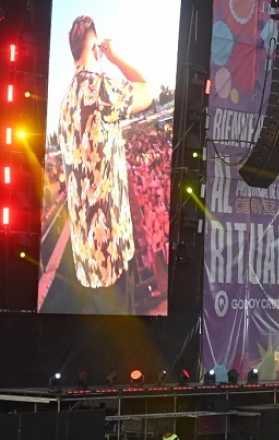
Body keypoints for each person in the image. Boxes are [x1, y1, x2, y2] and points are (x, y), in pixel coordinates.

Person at [56, 16, 153, 289]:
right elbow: (148, 91)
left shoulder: (64, 104)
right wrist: (114, 57)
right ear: (95, 45)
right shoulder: (99, 88)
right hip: (113, 254)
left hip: (86, 264)